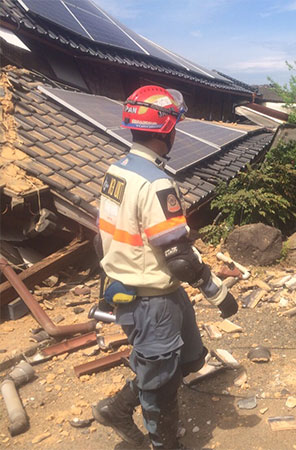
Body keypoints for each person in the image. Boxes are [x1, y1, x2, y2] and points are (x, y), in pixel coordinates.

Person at [92, 85, 238, 449]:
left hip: (152, 292)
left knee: (188, 359)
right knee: (160, 383)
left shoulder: (117, 170)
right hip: (149, 301)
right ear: (168, 131)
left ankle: (116, 407)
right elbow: (179, 259)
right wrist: (216, 292)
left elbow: (102, 238)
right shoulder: (156, 183)